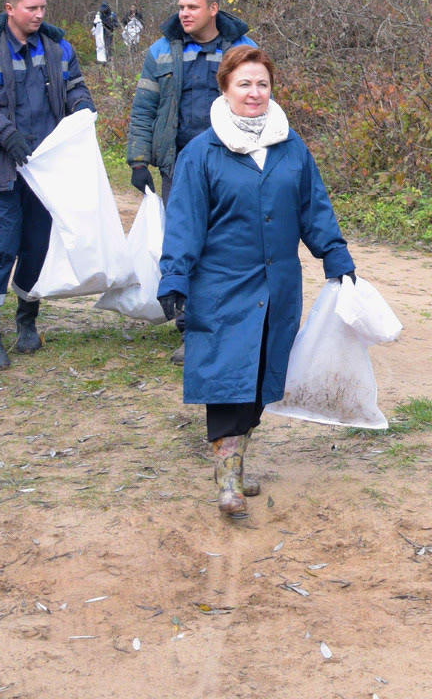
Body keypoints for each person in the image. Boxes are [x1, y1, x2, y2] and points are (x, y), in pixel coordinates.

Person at [158, 45, 354, 520]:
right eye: (244, 83)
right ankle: (227, 481)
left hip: (279, 283)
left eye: (262, 84)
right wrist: (175, 278)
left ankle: (236, 467)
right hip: (223, 285)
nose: (254, 92)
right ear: (225, 88)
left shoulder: (291, 147)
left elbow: (314, 208)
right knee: (228, 379)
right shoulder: (201, 152)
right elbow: (184, 221)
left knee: (264, 376)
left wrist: (336, 255)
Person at [0, 0, 95, 370]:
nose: (38, 15)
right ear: (10, 8)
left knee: (37, 248)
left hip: (47, 170)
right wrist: (7, 135)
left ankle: (27, 321)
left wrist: (83, 108)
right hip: (1, 168)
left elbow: (75, 88)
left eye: (42, 8)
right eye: (31, 8)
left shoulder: (58, 47)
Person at [127, 0, 255, 363]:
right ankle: (190, 330)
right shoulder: (161, 51)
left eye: (192, 7)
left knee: (229, 247)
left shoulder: (241, 51)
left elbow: (257, 104)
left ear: (213, 9)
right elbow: (144, 108)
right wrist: (138, 160)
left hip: (230, 166)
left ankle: (231, 325)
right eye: (181, 6)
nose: (183, 13)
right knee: (182, 246)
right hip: (177, 166)